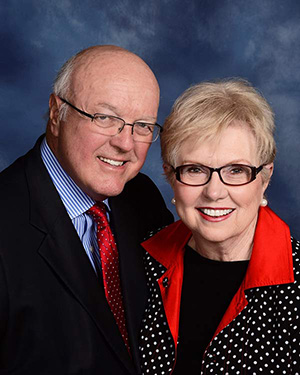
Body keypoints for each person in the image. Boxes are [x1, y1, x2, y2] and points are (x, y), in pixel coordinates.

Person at [0, 45, 173, 374]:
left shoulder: (143, 199)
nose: (125, 143)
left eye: (143, 125)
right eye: (105, 118)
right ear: (56, 113)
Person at [139, 79, 300, 374]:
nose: (214, 192)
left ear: (264, 178)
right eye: (195, 169)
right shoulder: (140, 262)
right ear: (170, 175)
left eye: (236, 170)